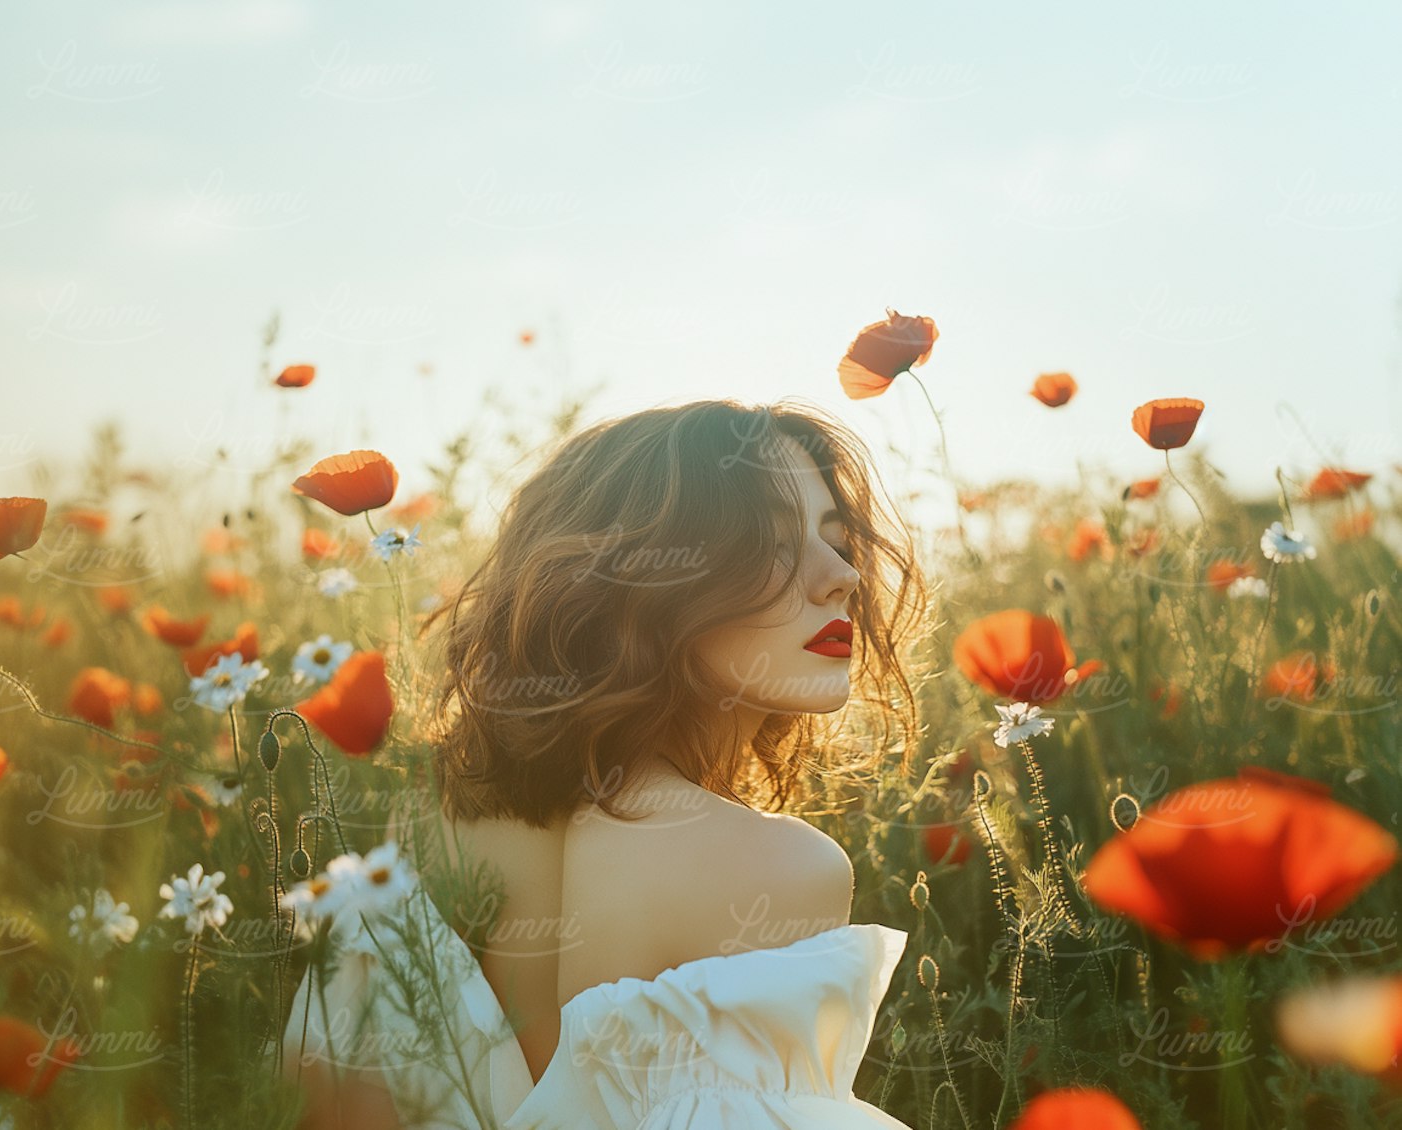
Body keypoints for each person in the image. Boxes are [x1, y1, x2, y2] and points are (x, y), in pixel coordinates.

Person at [282, 398, 932, 1128]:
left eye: (837, 539)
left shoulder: (419, 842)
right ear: (638, 580)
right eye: (771, 545)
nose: (841, 575)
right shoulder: (777, 867)